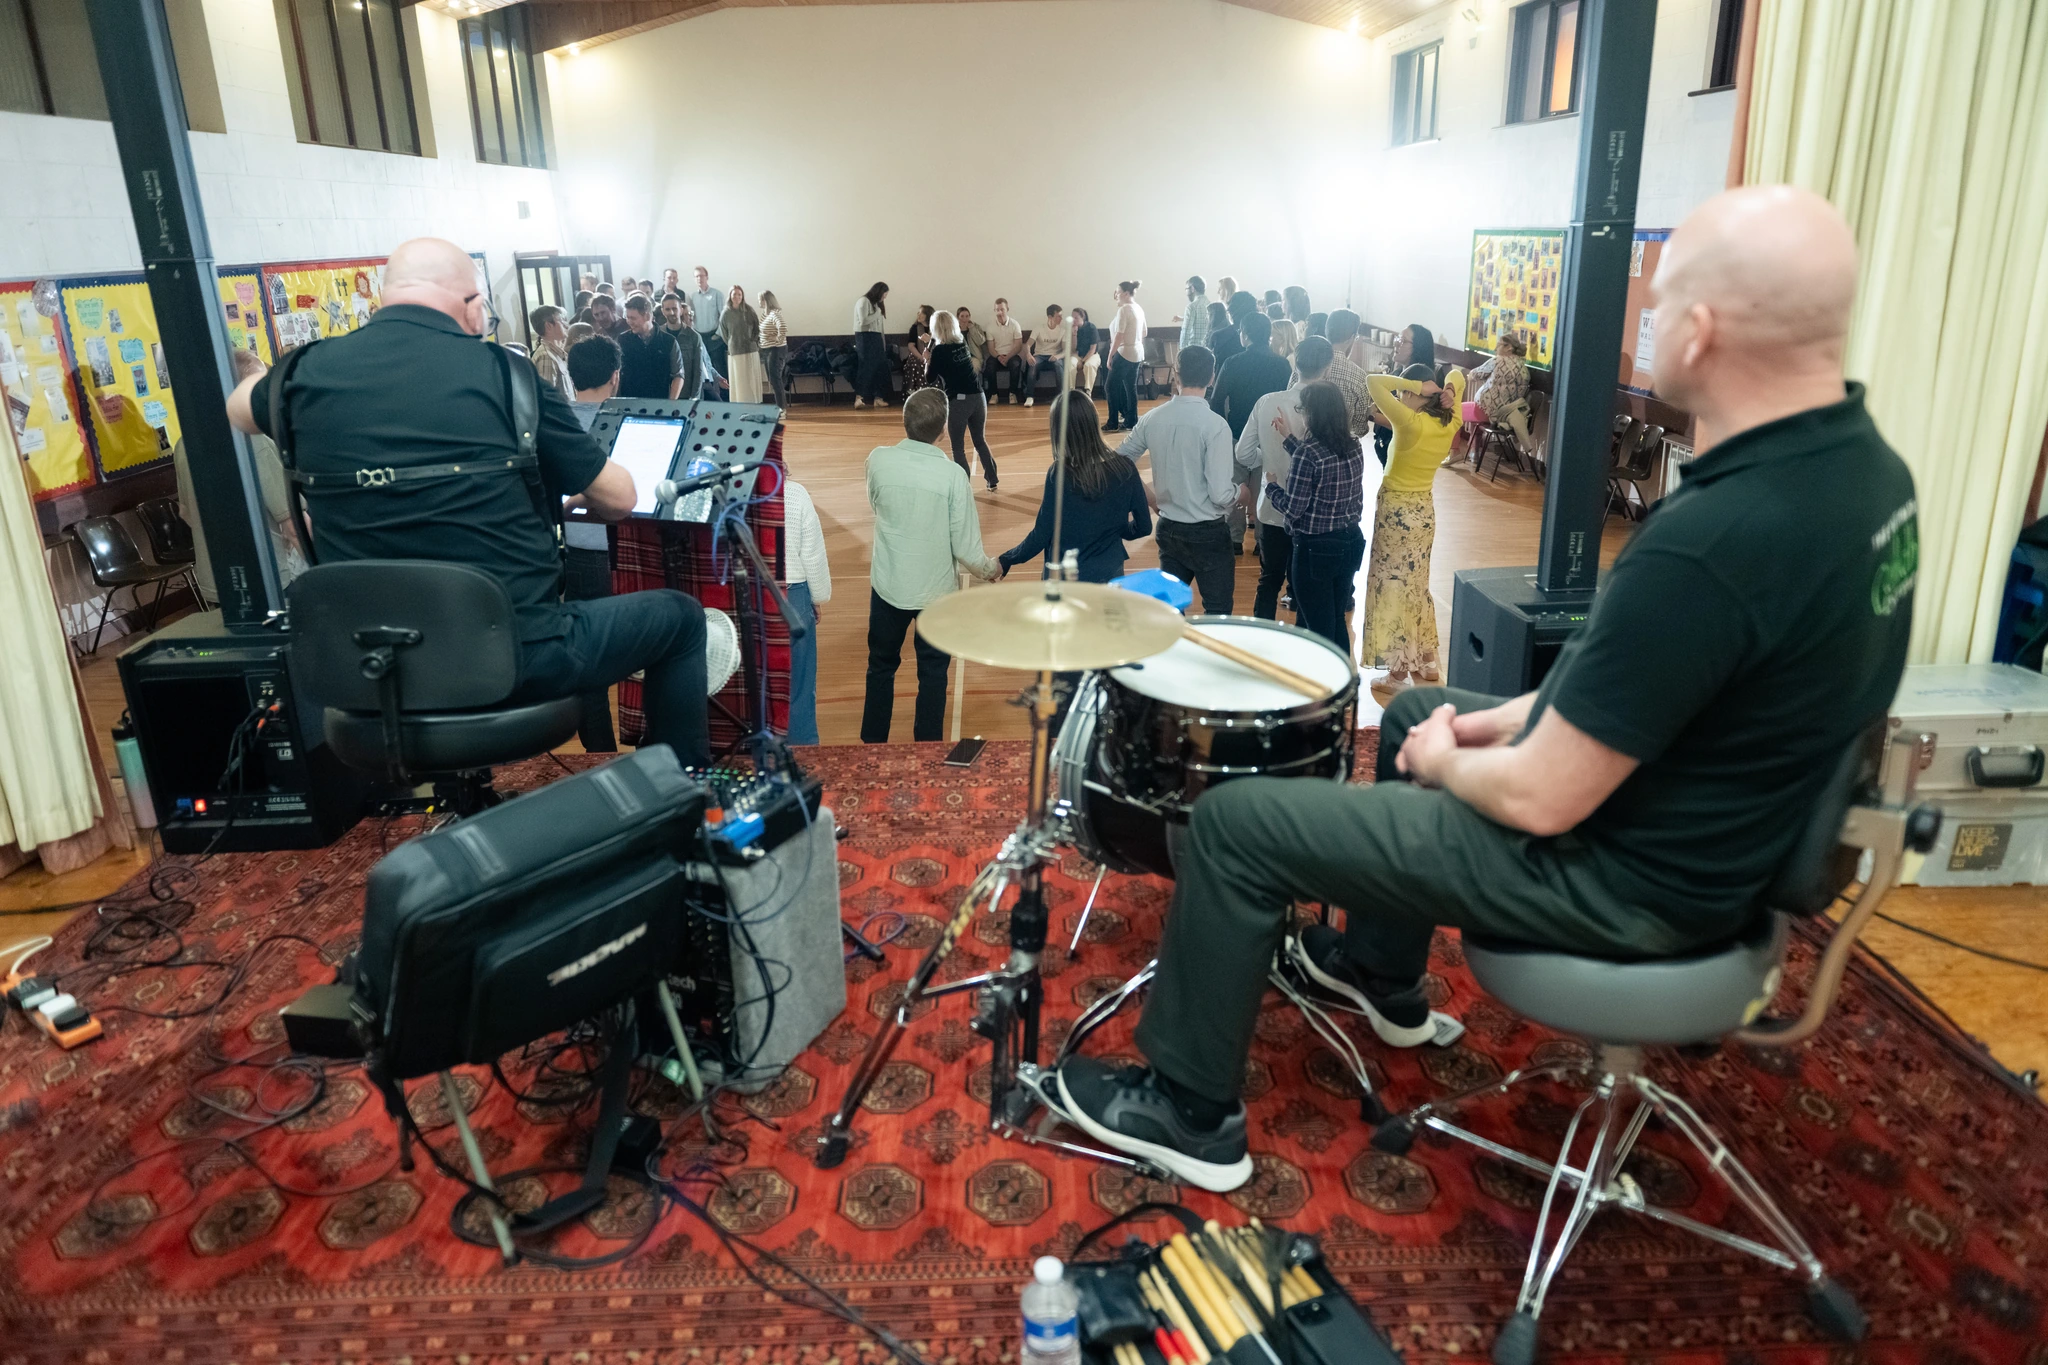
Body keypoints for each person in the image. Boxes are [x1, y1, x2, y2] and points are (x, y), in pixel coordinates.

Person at [1053, 185, 1919, 1194]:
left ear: (1704, 328)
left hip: (1627, 882)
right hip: (1718, 830)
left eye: (1661, 303)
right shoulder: (1868, 478)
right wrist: (1478, 724)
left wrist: (1445, 764)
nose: (1648, 324)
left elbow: (1543, 796)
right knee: (1428, 708)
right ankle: (1380, 974)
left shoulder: (1715, 538)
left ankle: (1186, 1109)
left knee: (1239, 825)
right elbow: (1669, 678)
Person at [226, 236, 710, 766]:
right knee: (682, 619)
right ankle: (681, 790)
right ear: (470, 303)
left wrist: (271, 376)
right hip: (515, 655)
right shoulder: (508, 377)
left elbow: (238, 408)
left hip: (373, 662)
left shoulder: (304, 374)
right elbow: (619, 498)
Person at [861, 389, 1000, 743]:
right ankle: (927, 747)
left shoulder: (878, 460)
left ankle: (872, 744)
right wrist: (989, 570)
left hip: (888, 587)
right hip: (935, 595)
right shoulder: (952, 475)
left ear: (905, 421)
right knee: (934, 674)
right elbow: (965, 547)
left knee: (880, 667)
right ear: (943, 430)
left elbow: (876, 504)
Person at [1364, 362, 1466, 700]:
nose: (1399, 396)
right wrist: (1448, 389)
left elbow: (1373, 381)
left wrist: (1415, 385)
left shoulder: (1408, 422)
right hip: (1424, 510)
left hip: (1396, 513)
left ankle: (1398, 673)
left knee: (1395, 588)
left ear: (1413, 392)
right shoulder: (1450, 420)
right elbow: (1458, 375)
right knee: (1417, 584)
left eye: (1403, 392)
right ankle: (1427, 660)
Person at [173, 348, 305, 607]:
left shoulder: (184, 443)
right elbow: (293, 525)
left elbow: (185, 512)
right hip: (267, 577)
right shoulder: (254, 440)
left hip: (217, 581)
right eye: (260, 385)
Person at [1117, 345, 1235, 614]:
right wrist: (1241, 493)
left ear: (1176, 374)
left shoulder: (1152, 418)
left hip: (1169, 528)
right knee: (1218, 612)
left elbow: (1119, 460)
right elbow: (1220, 495)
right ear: (1212, 377)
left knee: (1170, 612)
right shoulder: (1216, 425)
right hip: (1209, 533)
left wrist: (1150, 498)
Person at [999, 390, 1152, 583]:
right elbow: (1144, 527)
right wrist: (1117, 530)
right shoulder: (1125, 468)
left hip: (1066, 579)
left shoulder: (1060, 474)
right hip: (1109, 574)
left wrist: (1007, 560)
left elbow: (1041, 535)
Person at [1235, 335, 1335, 621]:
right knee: (1308, 587)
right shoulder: (1330, 406)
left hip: (1272, 505)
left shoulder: (1268, 402)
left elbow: (1243, 453)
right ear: (1327, 366)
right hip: (1314, 512)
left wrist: (1267, 460)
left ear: (1295, 364)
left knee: (1269, 579)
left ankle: (1261, 639)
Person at [1264, 380, 1365, 649]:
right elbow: (1322, 465)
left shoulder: (1308, 454)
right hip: (1350, 542)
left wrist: (1271, 487)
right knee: (1335, 619)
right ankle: (1343, 673)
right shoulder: (1353, 445)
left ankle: (1325, 675)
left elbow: (1293, 508)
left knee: (1318, 631)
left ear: (1312, 413)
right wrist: (1289, 438)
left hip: (1315, 550)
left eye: (1303, 409)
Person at [561, 335, 625, 751]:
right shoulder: (628, 419)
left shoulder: (554, 422)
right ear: (615, 377)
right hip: (631, 551)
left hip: (579, 554)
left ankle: (599, 754)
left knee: (588, 664)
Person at [781, 476, 831, 745]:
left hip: (745, 594)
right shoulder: (795, 493)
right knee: (800, 684)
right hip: (793, 595)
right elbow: (812, 554)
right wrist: (818, 596)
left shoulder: (731, 493)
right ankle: (803, 753)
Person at [926, 310, 998, 490]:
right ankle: (992, 479)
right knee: (979, 440)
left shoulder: (939, 351)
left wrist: (927, 360)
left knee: (957, 448)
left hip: (959, 401)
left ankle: (964, 486)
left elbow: (929, 378)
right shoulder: (961, 343)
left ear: (936, 328)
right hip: (978, 396)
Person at [1209, 312, 1292, 442]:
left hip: (1239, 428)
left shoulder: (1232, 363)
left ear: (1245, 335)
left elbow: (1216, 400)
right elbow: (1287, 397)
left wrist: (1224, 430)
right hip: (1272, 428)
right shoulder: (1283, 364)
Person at [1370, 324, 1436, 467]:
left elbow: (1406, 424)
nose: (1396, 344)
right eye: (1397, 338)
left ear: (1418, 347)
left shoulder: (1424, 384)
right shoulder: (1397, 374)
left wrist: (1369, 415)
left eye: (1403, 341)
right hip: (1385, 442)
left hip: (1404, 451)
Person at [1462, 334, 1531, 452]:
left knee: (1454, 411)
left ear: (1509, 348)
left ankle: (1456, 451)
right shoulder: (1524, 368)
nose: (1495, 348)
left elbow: (1474, 375)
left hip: (1489, 412)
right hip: (1506, 414)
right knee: (1476, 415)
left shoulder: (1497, 361)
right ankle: (1474, 450)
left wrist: (1472, 376)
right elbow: (1520, 393)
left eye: (1499, 344)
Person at [615, 294, 683, 400]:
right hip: (629, 404)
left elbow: (678, 375)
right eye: (627, 317)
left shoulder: (669, 341)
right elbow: (615, 373)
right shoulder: (622, 340)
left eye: (633, 318)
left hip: (658, 403)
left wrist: (670, 404)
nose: (629, 322)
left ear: (647, 316)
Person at [1322, 310, 1375, 437]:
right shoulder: (1359, 376)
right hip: (1342, 444)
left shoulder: (1307, 364)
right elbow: (1360, 429)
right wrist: (1368, 413)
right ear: (1352, 337)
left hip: (1304, 442)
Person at [1104, 280, 1146, 433]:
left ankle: (1113, 422)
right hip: (1137, 352)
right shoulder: (1138, 308)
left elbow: (1119, 335)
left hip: (1124, 352)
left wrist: (1110, 355)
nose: (1116, 295)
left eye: (1118, 292)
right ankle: (1131, 421)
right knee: (1130, 387)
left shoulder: (1124, 310)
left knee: (1110, 387)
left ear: (1126, 293)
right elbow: (1144, 332)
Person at [659, 296, 717, 400]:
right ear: (663, 311)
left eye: (674, 308)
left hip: (686, 396)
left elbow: (698, 371)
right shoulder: (658, 335)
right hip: (663, 396)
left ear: (681, 310)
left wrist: (694, 398)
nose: (671, 312)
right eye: (667, 309)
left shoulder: (694, 337)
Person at [720, 285, 764, 403]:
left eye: (739, 294)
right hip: (735, 351)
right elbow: (724, 333)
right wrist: (733, 343)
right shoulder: (726, 313)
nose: (737, 297)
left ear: (742, 296)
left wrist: (752, 340)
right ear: (730, 296)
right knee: (739, 380)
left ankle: (754, 403)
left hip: (751, 350)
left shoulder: (749, 310)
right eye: (734, 294)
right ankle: (740, 404)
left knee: (751, 379)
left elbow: (756, 327)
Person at [854, 282, 891, 409]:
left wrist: (883, 342)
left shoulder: (876, 304)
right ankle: (859, 398)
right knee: (866, 367)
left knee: (880, 367)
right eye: (884, 295)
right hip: (865, 336)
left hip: (876, 337)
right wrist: (878, 312)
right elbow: (863, 321)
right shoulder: (863, 301)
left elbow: (879, 327)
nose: (884, 298)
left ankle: (878, 397)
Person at [983, 298, 1026, 403]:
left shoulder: (1015, 324)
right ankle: (994, 394)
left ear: (1007, 309)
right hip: (996, 355)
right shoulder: (990, 326)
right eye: (997, 310)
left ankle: (1013, 393)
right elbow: (991, 348)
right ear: (994, 310)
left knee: (1016, 364)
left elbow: (1018, 346)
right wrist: (998, 357)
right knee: (989, 365)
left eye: (1002, 309)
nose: (1000, 312)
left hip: (1012, 355)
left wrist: (1008, 357)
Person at [1025, 304, 1068, 404]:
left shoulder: (1063, 330)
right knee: (1033, 364)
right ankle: (1029, 396)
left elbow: (1066, 350)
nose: (1061, 319)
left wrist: (1057, 356)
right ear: (1050, 317)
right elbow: (1028, 344)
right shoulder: (1038, 328)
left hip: (1055, 356)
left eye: (1061, 316)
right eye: (1058, 316)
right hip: (1040, 355)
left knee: (1058, 365)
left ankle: (1061, 397)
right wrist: (1028, 354)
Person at [528, 305, 572, 398]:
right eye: (561, 320)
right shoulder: (546, 356)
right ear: (548, 326)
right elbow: (547, 398)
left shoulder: (556, 354)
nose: (566, 325)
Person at [690, 266, 725, 374]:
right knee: (704, 369)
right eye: (696, 276)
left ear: (707, 277)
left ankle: (724, 387)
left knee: (719, 369)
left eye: (701, 276)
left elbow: (723, 317)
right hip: (700, 337)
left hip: (714, 337)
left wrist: (718, 334)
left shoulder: (717, 294)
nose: (699, 278)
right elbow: (691, 317)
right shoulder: (693, 296)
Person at [759, 290, 790, 409]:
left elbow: (783, 327)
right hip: (768, 350)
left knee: (775, 380)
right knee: (773, 380)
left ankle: (782, 409)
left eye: (760, 299)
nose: (758, 302)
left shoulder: (774, 314)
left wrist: (777, 339)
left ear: (766, 300)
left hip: (775, 350)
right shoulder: (766, 314)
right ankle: (780, 407)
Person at [901, 304, 935, 392]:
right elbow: (911, 346)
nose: (918, 315)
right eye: (918, 313)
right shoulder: (915, 328)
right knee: (915, 363)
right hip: (917, 354)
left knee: (934, 363)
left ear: (927, 315)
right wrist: (921, 357)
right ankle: (914, 391)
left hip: (931, 355)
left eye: (921, 313)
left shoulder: (935, 329)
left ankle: (932, 392)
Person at [1178, 276, 1212, 353]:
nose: (1186, 293)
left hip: (1193, 351)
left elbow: (1186, 331)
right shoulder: (1210, 305)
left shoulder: (1191, 307)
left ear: (1192, 288)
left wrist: (1181, 350)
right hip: (1207, 351)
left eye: (1186, 289)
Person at [1072, 307, 1102, 396]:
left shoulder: (1091, 327)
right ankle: (1071, 390)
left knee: (1089, 365)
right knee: (1070, 364)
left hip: (1092, 354)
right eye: (1072, 317)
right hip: (1077, 354)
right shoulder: (1072, 328)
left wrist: (1082, 361)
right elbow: (1073, 349)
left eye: (1076, 318)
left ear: (1082, 317)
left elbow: (1092, 349)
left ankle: (1088, 391)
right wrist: (1074, 334)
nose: (1073, 320)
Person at [957, 305, 990, 376]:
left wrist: (972, 329)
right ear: (958, 317)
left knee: (973, 367)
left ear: (970, 317)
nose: (964, 319)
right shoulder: (953, 329)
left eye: (967, 316)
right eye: (962, 316)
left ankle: (971, 383)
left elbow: (981, 341)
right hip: (958, 357)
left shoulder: (976, 327)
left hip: (974, 357)